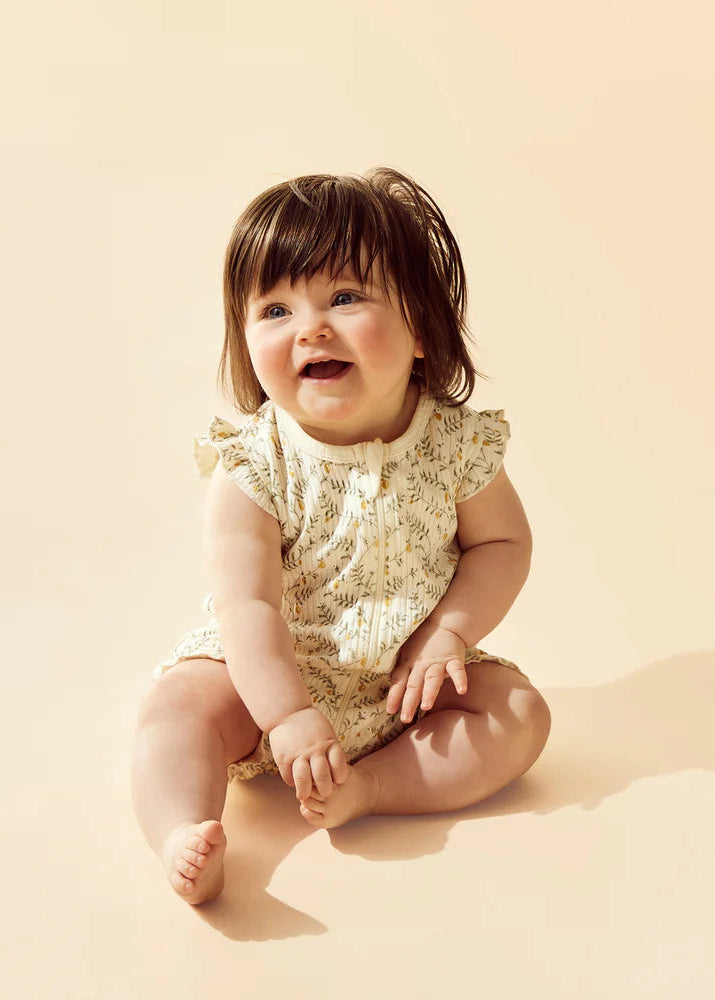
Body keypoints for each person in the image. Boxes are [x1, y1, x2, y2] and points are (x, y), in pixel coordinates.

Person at [131, 166, 552, 905]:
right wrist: (287, 715)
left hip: (403, 684)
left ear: (421, 327)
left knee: (520, 716)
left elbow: (501, 547)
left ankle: (371, 789)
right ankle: (181, 831)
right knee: (176, 707)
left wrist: (449, 634)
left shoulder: (455, 445)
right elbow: (246, 608)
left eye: (345, 297)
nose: (310, 328)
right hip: (264, 682)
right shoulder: (255, 465)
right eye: (274, 310)